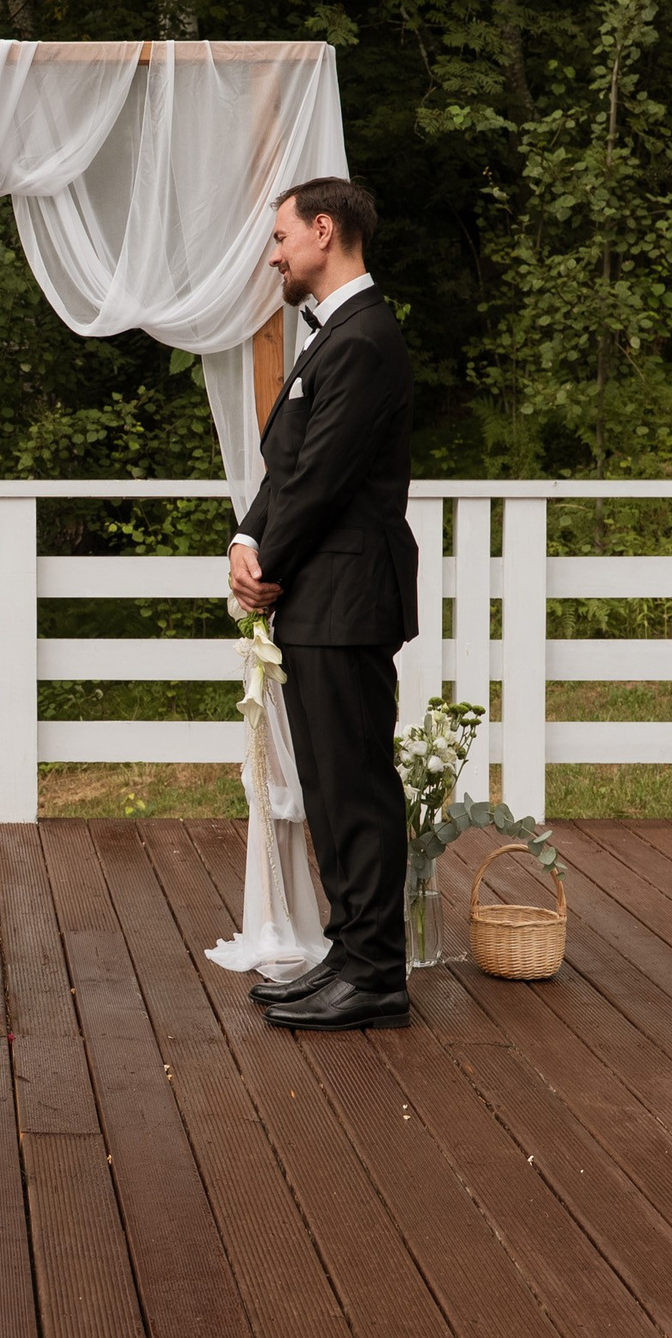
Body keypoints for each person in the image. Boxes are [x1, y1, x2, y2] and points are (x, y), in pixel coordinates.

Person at [229, 177, 419, 1031]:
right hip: (317, 597)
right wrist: (245, 539)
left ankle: (377, 974)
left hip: (346, 595)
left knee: (358, 790)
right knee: (330, 791)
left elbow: (325, 476)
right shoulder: (336, 337)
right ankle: (349, 953)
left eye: (280, 238)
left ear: (323, 230)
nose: (275, 254)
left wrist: (268, 558)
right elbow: (287, 466)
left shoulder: (366, 339)